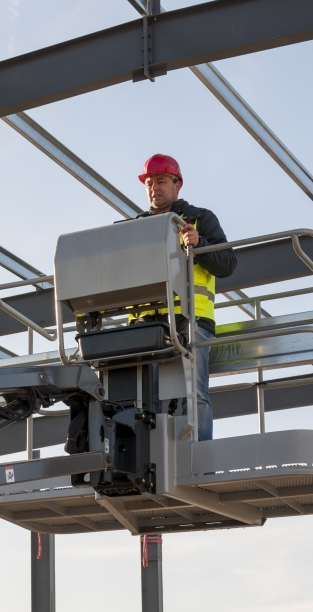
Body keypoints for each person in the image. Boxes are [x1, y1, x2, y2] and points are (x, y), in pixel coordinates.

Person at [132, 154, 236, 440]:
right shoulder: (135, 228)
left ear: (177, 185)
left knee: (193, 395)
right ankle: (153, 459)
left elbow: (228, 263)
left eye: (161, 181)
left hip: (192, 321)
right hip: (146, 325)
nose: (154, 188)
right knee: (145, 400)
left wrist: (199, 244)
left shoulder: (200, 219)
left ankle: (198, 459)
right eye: (149, 182)